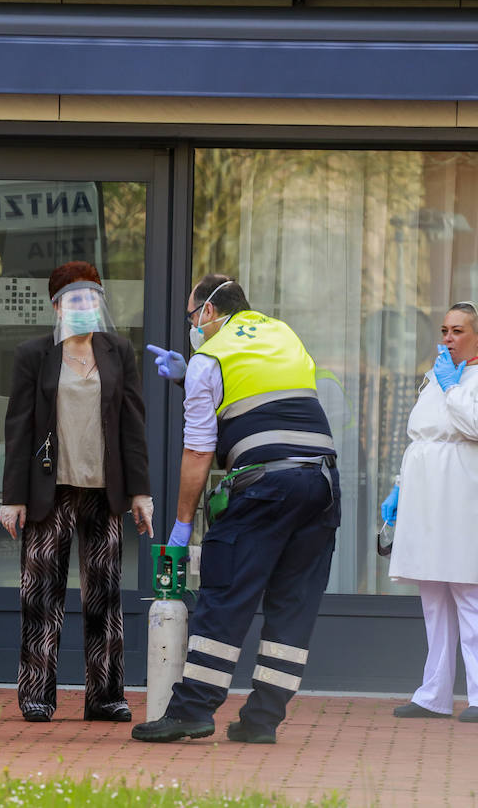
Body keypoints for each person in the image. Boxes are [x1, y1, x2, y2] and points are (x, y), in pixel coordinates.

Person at [133, 275, 338, 744]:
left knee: (225, 594)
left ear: (207, 311)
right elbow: (264, 399)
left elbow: (198, 451)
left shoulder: (210, 357)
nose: (192, 326)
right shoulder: (282, 334)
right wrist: (187, 378)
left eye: (191, 316)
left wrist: (183, 524)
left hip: (265, 486)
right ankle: (261, 721)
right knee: (294, 604)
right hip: (321, 483)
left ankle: (191, 711)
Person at [0, 261, 154, 723]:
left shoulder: (117, 351)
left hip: (103, 492)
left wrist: (141, 492)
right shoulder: (34, 354)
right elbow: (18, 429)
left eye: (91, 297)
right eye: (75, 298)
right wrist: (13, 497)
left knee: (104, 598)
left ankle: (106, 697)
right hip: (50, 490)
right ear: (57, 307)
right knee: (40, 596)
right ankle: (36, 695)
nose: (85, 305)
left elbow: (132, 425)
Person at [381, 300, 478, 723]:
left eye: (458, 331)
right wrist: (400, 487)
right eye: (444, 331)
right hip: (429, 491)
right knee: (434, 592)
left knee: (473, 588)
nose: (447, 339)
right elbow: (423, 437)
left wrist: (451, 386)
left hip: (470, 493)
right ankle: (434, 694)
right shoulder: (437, 377)